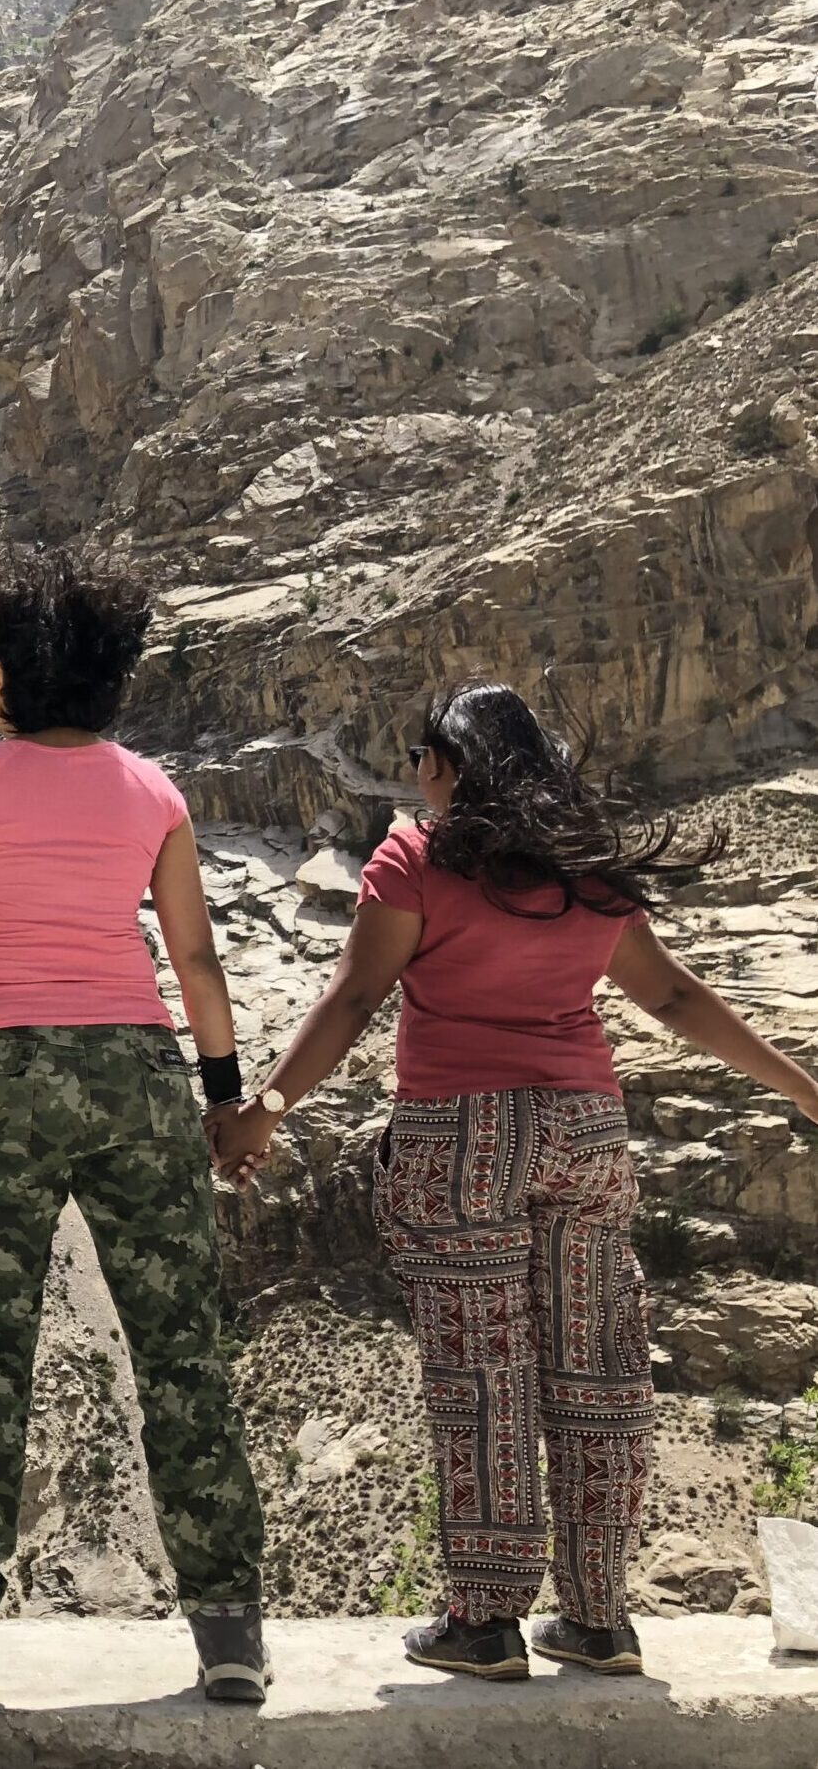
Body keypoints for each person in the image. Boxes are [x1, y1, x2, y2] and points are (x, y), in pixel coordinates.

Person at [208, 682, 818, 1681]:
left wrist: (264, 1108)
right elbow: (669, 993)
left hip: (460, 1137)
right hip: (583, 1130)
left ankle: (485, 1619)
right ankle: (599, 1619)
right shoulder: (587, 867)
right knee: (597, 1366)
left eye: (420, 757)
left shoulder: (416, 859)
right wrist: (798, 1084)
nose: (414, 776)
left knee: (483, 1374)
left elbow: (356, 996)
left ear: (449, 763)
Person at [0, 546, 270, 1706]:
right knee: (179, 1345)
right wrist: (224, 1095)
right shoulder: (154, 794)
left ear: (5, 676)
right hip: (134, 1068)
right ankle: (230, 1629)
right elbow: (194, 956)